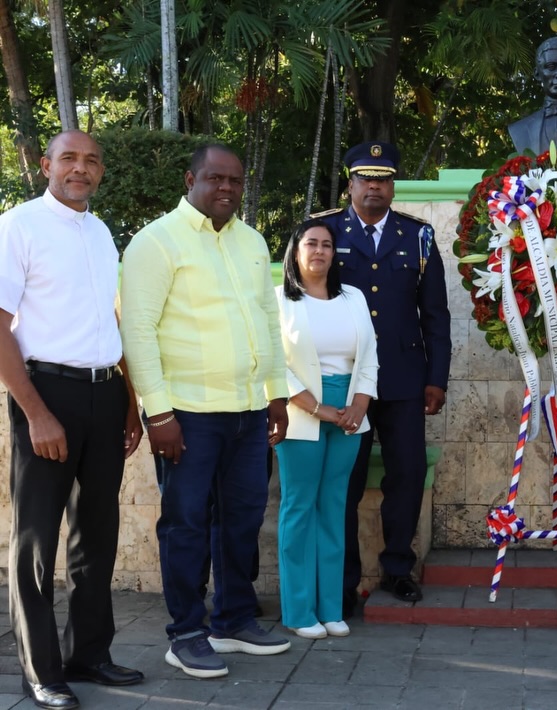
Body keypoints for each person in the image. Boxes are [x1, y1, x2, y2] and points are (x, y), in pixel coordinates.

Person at [119, 144, 291, 679]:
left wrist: (277, 393)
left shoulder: (252, 241)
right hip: (187, 414)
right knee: (187, 524)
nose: (226, 189)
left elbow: (267, 318)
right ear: (191, 179)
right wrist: (158, 413)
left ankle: (234, 619)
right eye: (215, 178)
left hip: (246, 410)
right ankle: (186, 633)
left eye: (236, 181)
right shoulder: (155, 242)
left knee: (240, 521)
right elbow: (138, 331)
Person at [0, 130, 145, 710]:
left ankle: (90, 654)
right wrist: (35, 411)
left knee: (97, 533)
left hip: (105, 395)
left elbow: (108, 325)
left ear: (100, 171)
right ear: (46, 165)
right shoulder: (19, 225)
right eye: (68, 158)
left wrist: (129, 404)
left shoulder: (101, 231)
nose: (79, 168)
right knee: (36, 538)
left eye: (90, 160)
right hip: (47, 392)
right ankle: (43, 670)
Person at [320, 142, 451, 608]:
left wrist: (437, 378)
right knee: (345, 480)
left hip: (402, 379)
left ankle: (398, 567)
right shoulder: (324, 231)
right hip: (345, 380)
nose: (374, 186)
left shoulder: (417, 237)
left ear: (393, 185)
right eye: (365, 178)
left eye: (383, 178)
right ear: (350, 183)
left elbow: (434, 313)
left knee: (407, 475)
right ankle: (344, 579)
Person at [274, 219, 379, 639]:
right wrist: (317, 407)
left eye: (327, 245)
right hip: (301, 413)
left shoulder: (352, 297)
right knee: (299, 507)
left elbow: (370, 355)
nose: (319, 251)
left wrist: (358, 403)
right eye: (311, 244)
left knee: (335, 507)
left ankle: (330, 608)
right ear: (296, 251)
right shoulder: (279, 299)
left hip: (350, 414)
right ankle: (299, 611)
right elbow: (271, 362)